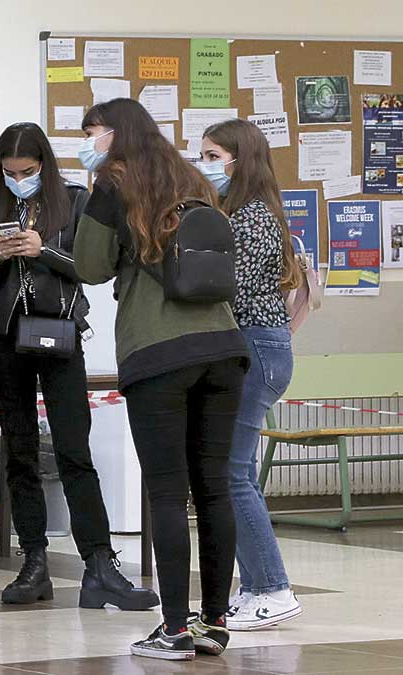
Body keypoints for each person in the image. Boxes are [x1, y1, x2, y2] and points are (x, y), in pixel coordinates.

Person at [74, 98, 249, 661]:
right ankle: (215, 622)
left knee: (168, 491)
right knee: (214, 485)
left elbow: (90, 266)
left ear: (115, 136)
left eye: (93, 133)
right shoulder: (195, 177)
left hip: (159, 350)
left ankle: (173, 629)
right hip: (223, 346)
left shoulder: (111, 183)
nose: (89, 142)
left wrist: (93, 200)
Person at [0, 122, 159, 611]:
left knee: (74, 449)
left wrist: (44, 250)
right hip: (6, 340)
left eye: (28, 171)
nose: (19, 179)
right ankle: (33, 561)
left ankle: (99, 562)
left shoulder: (74, 201)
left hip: (59, 336)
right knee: (19, 453)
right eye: (10, 172)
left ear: (45, 166)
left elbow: (89, 268)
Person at [200, 119, 304, 631]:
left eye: (214, 155)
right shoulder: (238, 215)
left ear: (240, 160)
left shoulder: (253, 219)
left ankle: (271, 587)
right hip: (253, 348)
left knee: (231, 475)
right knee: (231, 473)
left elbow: (228, 291)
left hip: (257, 349)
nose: (205, 165)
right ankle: (256, 583)